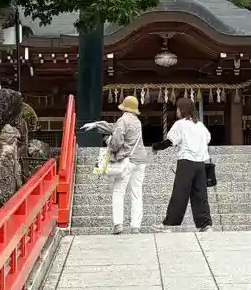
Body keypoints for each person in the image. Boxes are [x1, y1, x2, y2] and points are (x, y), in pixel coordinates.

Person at [90, 95, 147, 233]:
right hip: (140, 160)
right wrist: (97, 124)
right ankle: (135, 226)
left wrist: (108, 141)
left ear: (123, 108)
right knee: (136, 193)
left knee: (119, 191)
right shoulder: (137, 122)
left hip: (127, 160)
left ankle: (118, 224)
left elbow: (117, 142)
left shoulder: (123, 120)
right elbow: (114, 127)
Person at [161, 98, 213, 231]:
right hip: (200, 165)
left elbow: (170, 141)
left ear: (182, 109)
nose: (177, 111)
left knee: (180, 193)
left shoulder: (180, 124)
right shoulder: (200, 125)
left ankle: (169, 224)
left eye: (178, 108)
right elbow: (208, 138)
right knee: (200, 195)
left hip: (186, 162)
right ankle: (205, 224)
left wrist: (155, 147)